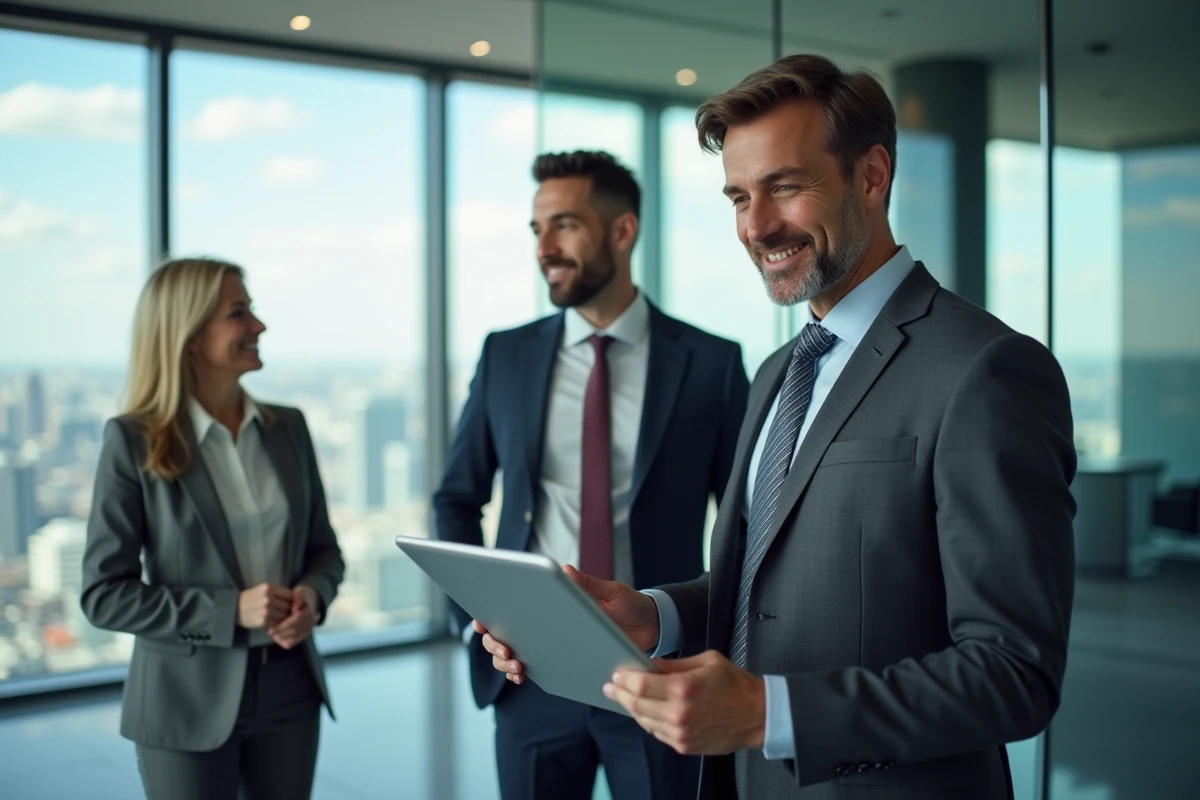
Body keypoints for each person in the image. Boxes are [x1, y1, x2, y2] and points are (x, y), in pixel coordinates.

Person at [477, 56, 1077, 799]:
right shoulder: (777, 373)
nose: (756, 226)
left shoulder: (985, 369)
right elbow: (765, 592)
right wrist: (656, 616)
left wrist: (772, 713)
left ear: (871, 176)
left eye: (785, 187)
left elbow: (1015, 673)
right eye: (739, 196)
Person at [433, 150, 749, 800]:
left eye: (565, 225)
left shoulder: (711, 364)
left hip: (659, 669)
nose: (544, 247)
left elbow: (748, 524)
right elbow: (456, 498)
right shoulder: (506, 354)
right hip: (526, 673)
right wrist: (477, 622)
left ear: (622, 230)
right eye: (536, 229)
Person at [81, 258, 345, 800]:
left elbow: (325, 550)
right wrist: (229, 611)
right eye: (238, 313)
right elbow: (104, 596)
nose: (259, 326)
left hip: (291, 686)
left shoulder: (288, 428)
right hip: (185, 698)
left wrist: (312, 596)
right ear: (191, 337)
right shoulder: (133, 441)